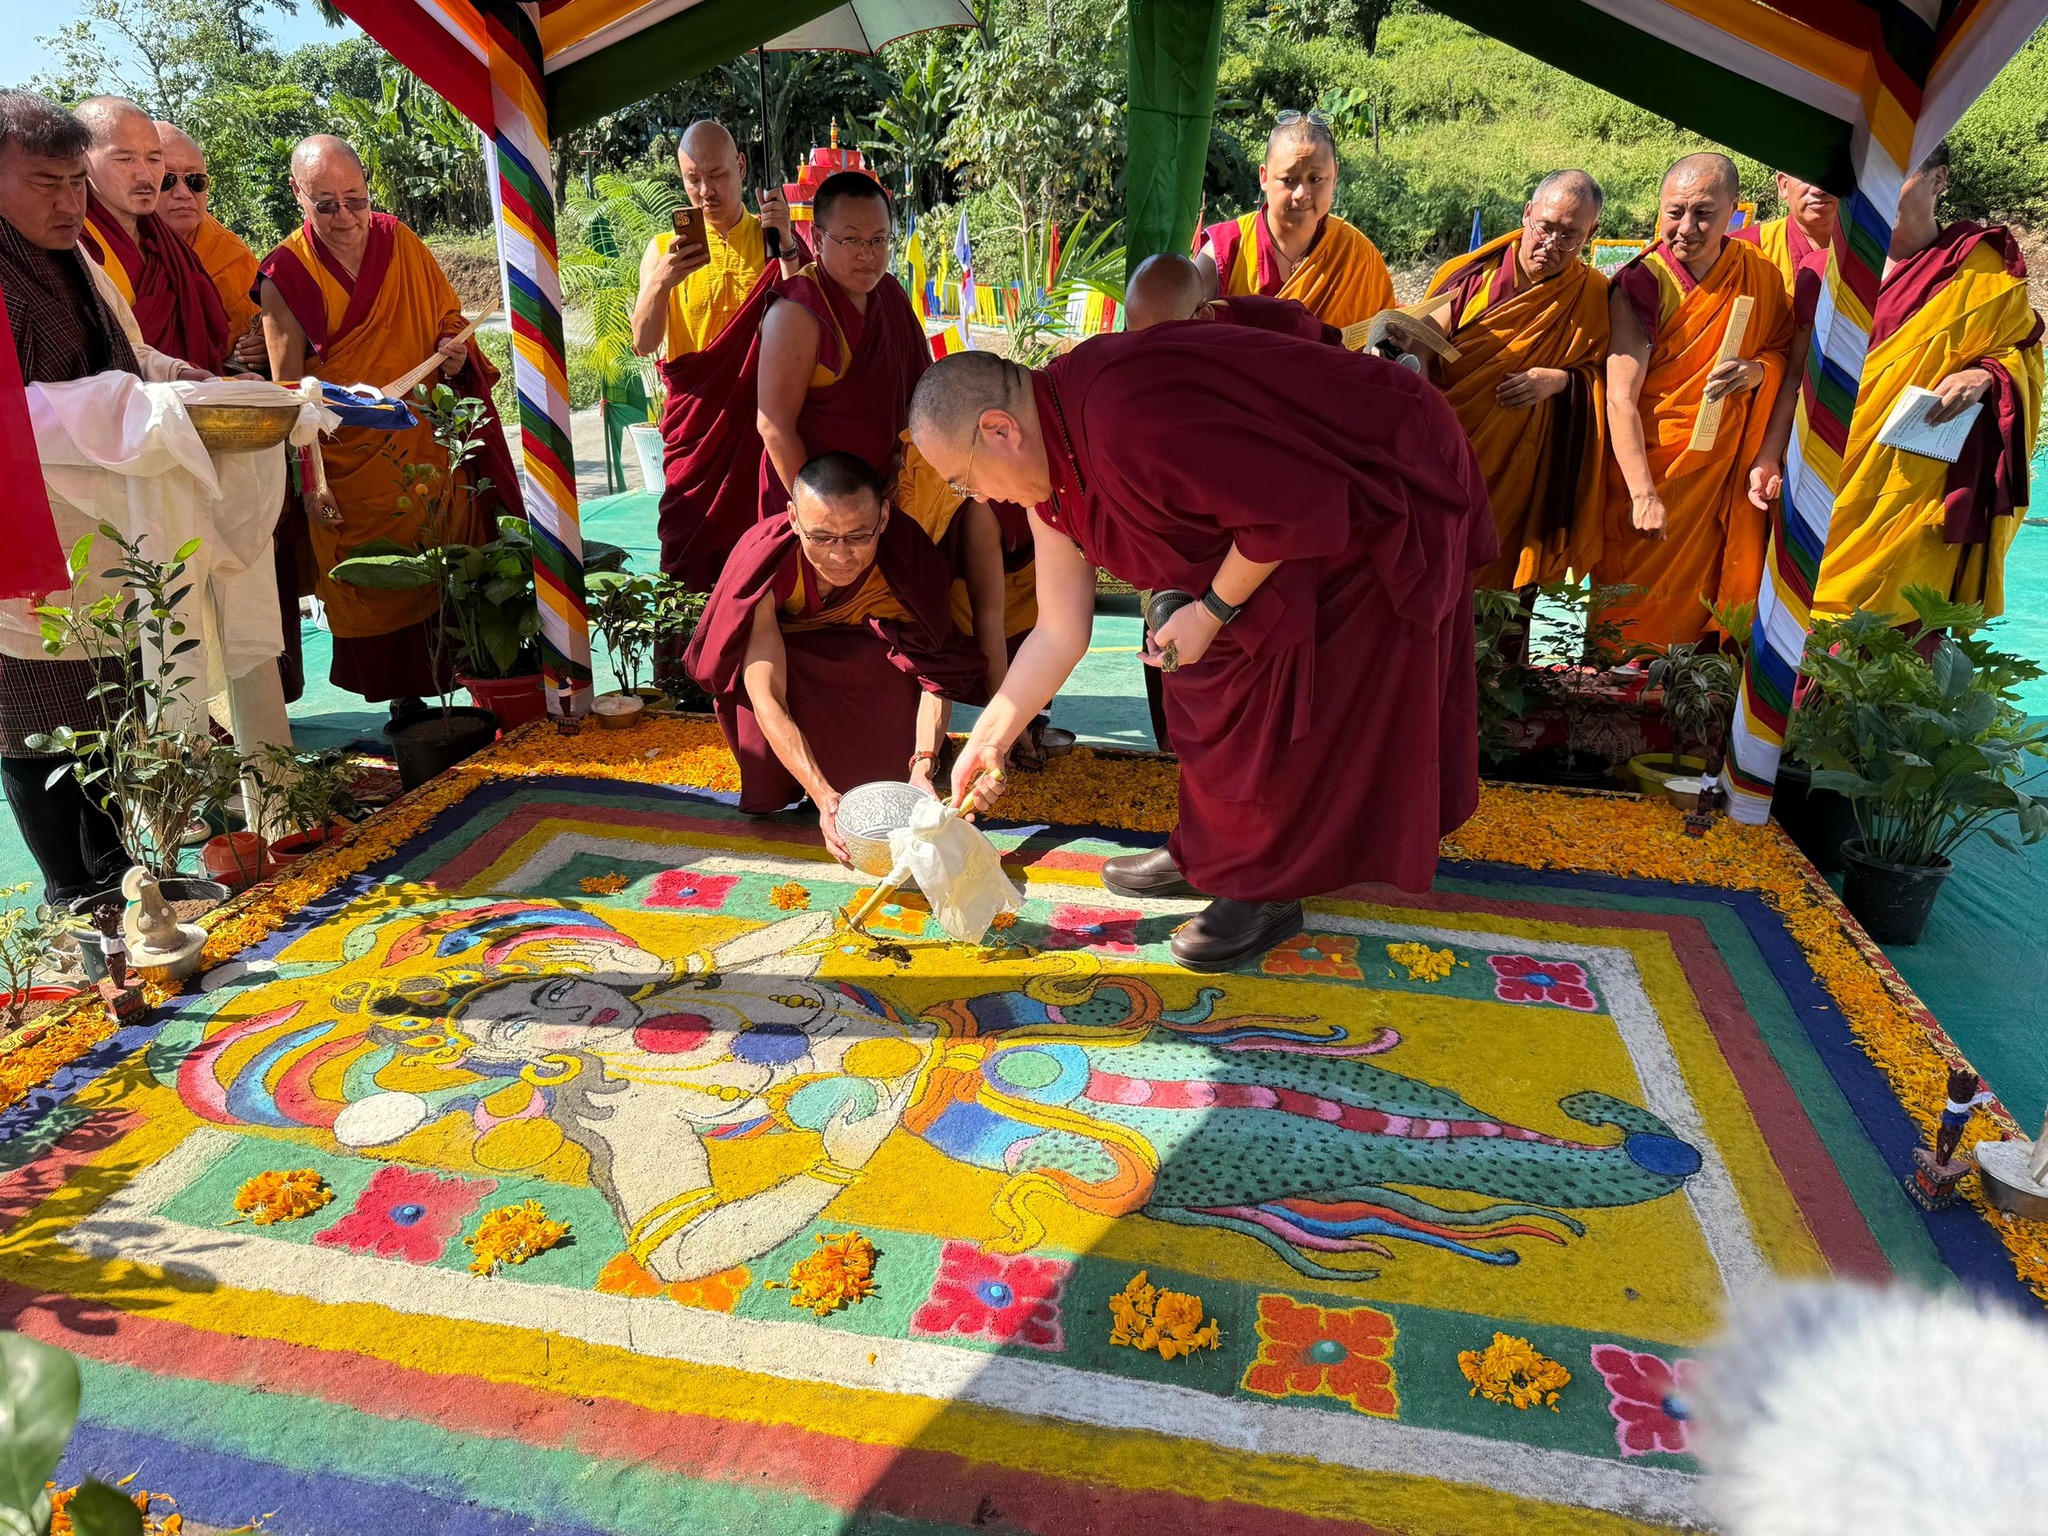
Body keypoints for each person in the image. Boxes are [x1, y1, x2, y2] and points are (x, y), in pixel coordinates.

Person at [907, 338, 1495, 972]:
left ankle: (1265, 884)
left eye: (963, 479)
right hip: (1278, 521)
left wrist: (1213, 610)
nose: (977, 498)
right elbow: (1059, 629)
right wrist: (989, 739)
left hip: (1374, 488)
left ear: (999, 431)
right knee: (1201, 683)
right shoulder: (1050, 467)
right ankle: (1209, 853)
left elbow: (1288, 506)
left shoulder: (1123, 419)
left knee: (1286, 689)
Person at [0, 91, 207, 901]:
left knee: (107, 703)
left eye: (75, 183)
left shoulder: (75, 257)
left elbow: (129, 354)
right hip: (22, 529)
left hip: (100, 522)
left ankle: (116, 872)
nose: (68, 203)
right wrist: (117, 402)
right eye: (44, 184)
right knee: (34, 717)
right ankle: (69, 891)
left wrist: (179, 379)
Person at [256, 134, 521, 710]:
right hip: (347, 462)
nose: (346, 217)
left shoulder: (399, 240)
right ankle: (406, 704)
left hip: (427, 442)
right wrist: (311, 484)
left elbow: (445, 315)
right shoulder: (285, 273)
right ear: (297, 194)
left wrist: (454, 349)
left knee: (449, 561)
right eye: (326, 204)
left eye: (356, 199)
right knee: (375, 576)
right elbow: (288, 394)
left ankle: (474, 690)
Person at [1749, 144, 2043, 621]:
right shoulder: (1824, 270)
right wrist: (1768, 456)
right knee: (1801, 619)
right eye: (1867, 180)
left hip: (1915, 487)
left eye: (1897, 175)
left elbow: (2022, 357)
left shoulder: (1982, 270)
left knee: (1897, 633)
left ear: (1939, 180)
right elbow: (1798, 377)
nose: (1877, 193)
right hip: (1823, 473)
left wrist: (1983, 375)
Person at [683, 452, 988, 859]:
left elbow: (935, 671)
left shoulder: (907, 557)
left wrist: (923, 764)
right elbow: (767, 694)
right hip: (796, 668)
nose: (840, 556)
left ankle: (896, 768)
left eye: (859, 537)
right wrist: (822, 793)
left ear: (883, 517)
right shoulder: (768, 565)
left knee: (897, 661)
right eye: (822, 537)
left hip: (872, 666)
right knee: (760, 677)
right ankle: (798, 782)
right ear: (793, 519)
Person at [1598, 153, 1792, 649]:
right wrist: (1643, 495)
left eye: (1703, 213)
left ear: (1734, 209)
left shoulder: (1759, 274)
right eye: (1674, 212)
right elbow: (1619, 398)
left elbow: (1784, 354)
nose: (1686, 228)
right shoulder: (1643, 282)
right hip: (1652, 469)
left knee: (1712, 625)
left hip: (1724, 476)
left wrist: (1758, 371)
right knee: (1631, 627)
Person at [630, 120, 799, 590]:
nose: (706, 191)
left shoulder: (770, 239)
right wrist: (661, 285)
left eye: (718, 175)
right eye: (693, 179)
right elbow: (643, 342)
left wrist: (787, 243)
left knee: (763, 564)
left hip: (760, 430)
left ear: (741, 167)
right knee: (689, 560)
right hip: (698, 434)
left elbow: (809, 319)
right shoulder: (662, 250)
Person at [1423, 169, 1610, 590]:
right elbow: (1421, 348)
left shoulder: (1595, 296)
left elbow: (1609, 380)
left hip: (1522, 477)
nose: (1551, 244)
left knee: (1500, 591)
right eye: (1545, 227)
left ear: (1591, 233)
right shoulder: (1469, 277)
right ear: (1527, 213)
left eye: (1569, 236)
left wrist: (1561, 381)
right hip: (1443, 455)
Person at [756, 171, 926, 515]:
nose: (867, 254)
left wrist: (902, 458)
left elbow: (921, 391)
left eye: (878, 240)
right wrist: (825, 516)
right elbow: (774, 426)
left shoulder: (891, 294)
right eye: (851, 240)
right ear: (818, 240)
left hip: (886, 493)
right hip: (814, 506)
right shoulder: (797, 313)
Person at [73, 96, 230, 375]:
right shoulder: (70, 241)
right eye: (125, 159)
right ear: (83, 160)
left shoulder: (168, 245)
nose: (145, 175)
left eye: (154, 159)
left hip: (193, 394)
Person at [1194, 113, 1394, 330]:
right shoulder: (1224, 252)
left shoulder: (1357, 254)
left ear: (1335, 176)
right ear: (1264, 177)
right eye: (1288, 180)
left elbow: (1382, 339)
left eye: (1316, 179)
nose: (1301, 194)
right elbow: (1184, 336)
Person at [152, 121, 266, 372]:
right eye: (166, 180)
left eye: (195, 181)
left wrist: (260, 348)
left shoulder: (230, 254)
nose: (183, 193)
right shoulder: (115, 246)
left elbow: (253, 333)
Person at [1124, 252, 1338, 343]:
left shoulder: (1285, 325)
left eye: (1162, 339)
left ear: (1204, 316)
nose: (1149, 355)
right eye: (1137, 338)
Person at [1732, 171, 1838, 305]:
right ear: (1783, 185)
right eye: (1806, 177)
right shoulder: (1740, 249)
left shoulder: (1864, 249)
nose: (1818, 190)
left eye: (1830, 177)